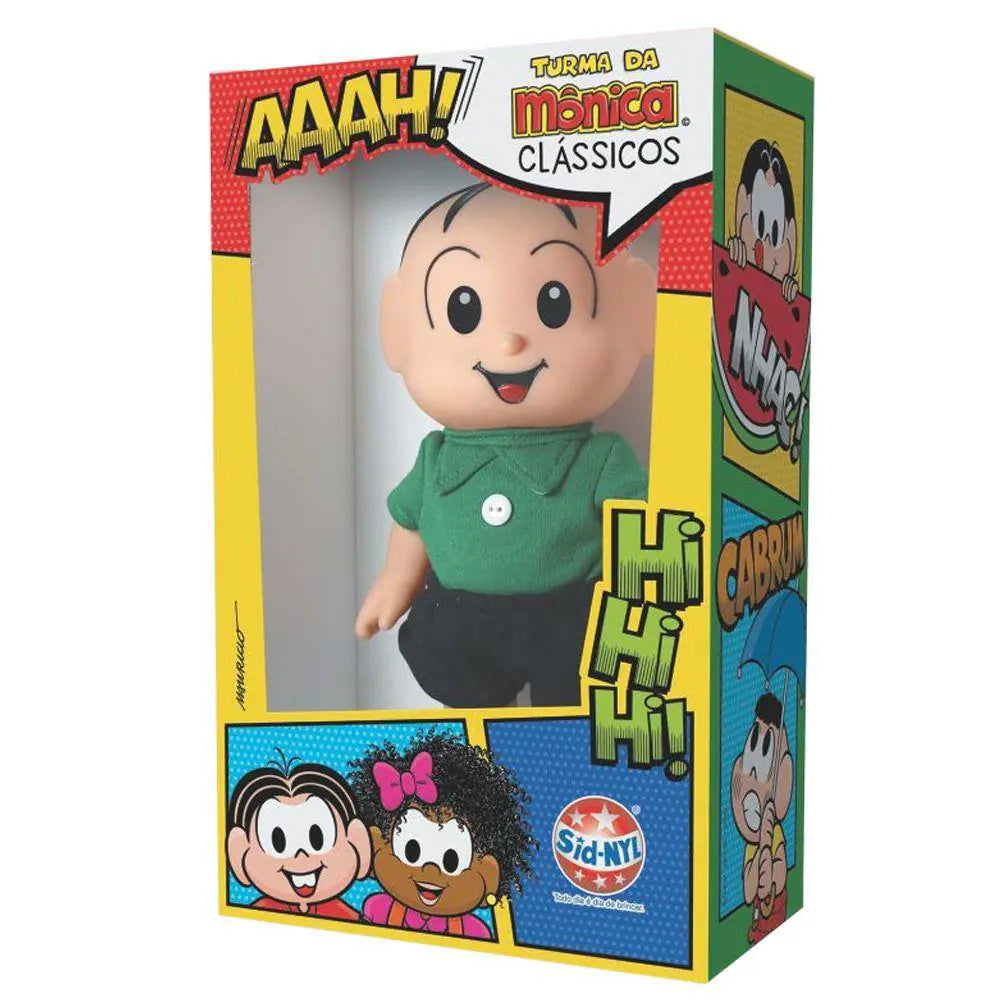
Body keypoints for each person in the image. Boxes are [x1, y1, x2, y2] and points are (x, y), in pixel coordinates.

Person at [356, 182, 655, 707]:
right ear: (398, 331)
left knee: (573, 709)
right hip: (458, 619)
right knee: (467, 711)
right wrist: (397, 578)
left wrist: (639, 601)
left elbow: (638, 530)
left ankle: (564, 751)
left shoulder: (601, 460)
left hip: (570, 618)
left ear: (636, 317)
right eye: (463, 311)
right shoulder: (435, 457)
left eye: (554, 305)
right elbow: (411, 522)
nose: (510, 343)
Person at [349, 730, 535, 939]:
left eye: (451, 860)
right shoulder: (377, 909)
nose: (430, 870)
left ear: (489, 874)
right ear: (375, 844)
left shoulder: (475, 932)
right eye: (411, 851)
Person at [226, 755, 372, 919]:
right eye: (278, 843)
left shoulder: (345, 916)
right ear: (239, 851)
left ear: (356, 841)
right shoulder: (254, 915)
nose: (301, 855)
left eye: (318, 840)